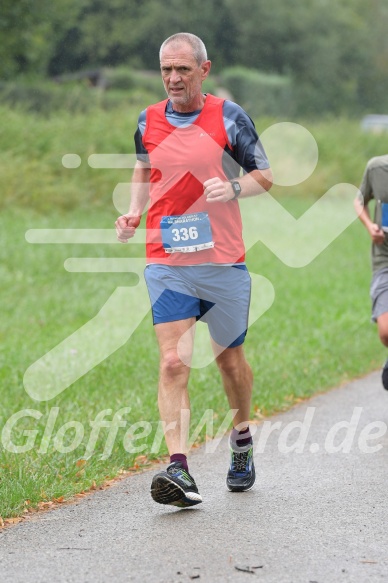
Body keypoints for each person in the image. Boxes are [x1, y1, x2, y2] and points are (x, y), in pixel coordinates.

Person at [115, 32, 273, 508]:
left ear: (204, 70)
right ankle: (179, 470)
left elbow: (264, 174)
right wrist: (135, 210)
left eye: (183, 69)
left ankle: (241, 441)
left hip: (223, 261)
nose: (173, 78)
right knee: (172, 361)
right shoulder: (147, 120)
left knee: (229, 362)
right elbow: (144, 167)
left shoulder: (228, 116)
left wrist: (235, 189)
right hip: (167, 261)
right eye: (166, 69)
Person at [354, 154, 388, 390]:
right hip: (384, 259)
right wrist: (370, 226)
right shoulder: (377, 167)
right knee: (386, 333)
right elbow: (359, 201)